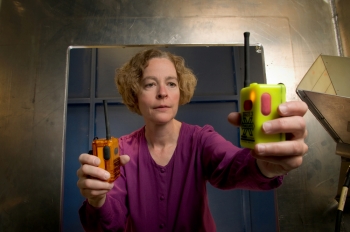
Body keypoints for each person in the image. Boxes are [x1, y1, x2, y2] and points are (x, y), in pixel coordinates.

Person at [77, 49, 308, 232]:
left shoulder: (201, 140)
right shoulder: (122, 152)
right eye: (149, 84)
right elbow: (110, 225)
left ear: (180, 90)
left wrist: (263, 166)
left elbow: (233, 166)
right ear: (134, 94)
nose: (162, 93)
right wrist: (97, 201)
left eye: (171, 83)